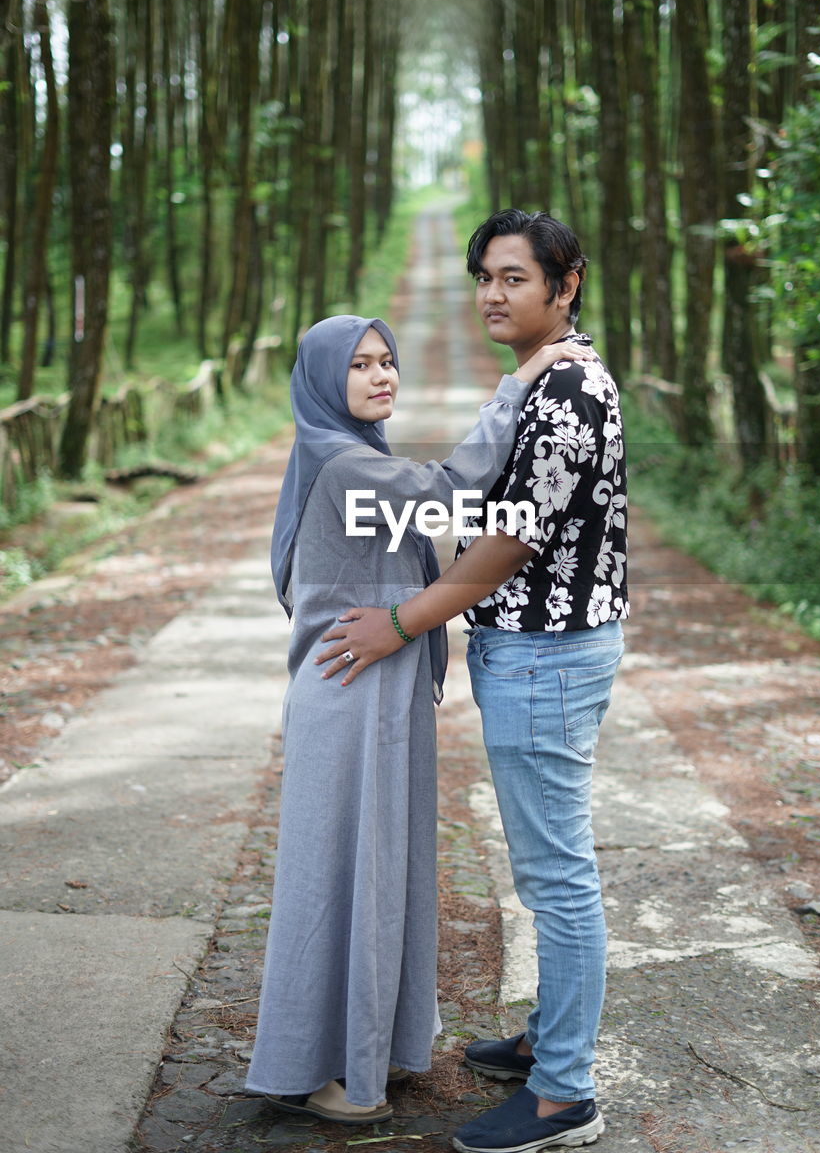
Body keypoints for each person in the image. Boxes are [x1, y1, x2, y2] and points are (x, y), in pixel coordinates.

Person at [318, 210, 628, 1151]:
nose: (493, 294)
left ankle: (563, 1094)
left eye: (513, 278)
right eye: (483, 278)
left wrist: (402, 623)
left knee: (555, 875)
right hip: (533, 648)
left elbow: (507, 541)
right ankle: (549, 1042)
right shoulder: (541, 379)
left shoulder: (569, 389)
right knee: (547, 866)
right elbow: (470, 489)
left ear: (563, 284)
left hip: (547, 653)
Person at [244, 312, 588, 1126]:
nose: (380, 376)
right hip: (352, 693)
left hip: (374, 688)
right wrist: (517, 388)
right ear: (325, 382)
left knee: (375, 874)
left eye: (386, 361)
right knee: (351, 879)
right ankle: (354, 1080)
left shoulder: (349, 456)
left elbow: (407, 545)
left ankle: (370, 1057)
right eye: (359, 366)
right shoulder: (339, 463)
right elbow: (444, 494)